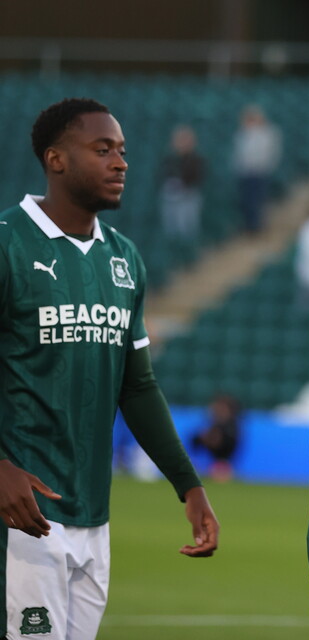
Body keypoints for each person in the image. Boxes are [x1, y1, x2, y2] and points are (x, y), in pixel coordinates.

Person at [0, 98, 219, 640]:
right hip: (18, 515)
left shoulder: (124, 259)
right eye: (102, 150)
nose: (121, 163)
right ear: (56, 159)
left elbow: (137, 385)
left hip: (92, 517)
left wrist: (187, 484)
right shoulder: (6, 243)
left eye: (122, 151)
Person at [158, 123, 205, 262]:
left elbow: (198, 177)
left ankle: (189, 258)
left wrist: (183, 183)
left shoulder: (196, 159)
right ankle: (173, 258)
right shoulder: (169, 159)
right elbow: (161, 175)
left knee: (188, 229)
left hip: (189, 197)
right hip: (170, 198)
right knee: (171, 230)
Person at [232, 104, 282, 234]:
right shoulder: (242, 134)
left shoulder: (268, 133)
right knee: (246, 202)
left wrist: (266, 167)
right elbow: (239, 154)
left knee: (258, 201)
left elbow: (271, 153)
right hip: (245, 173)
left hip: (259, 172)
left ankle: (258, 227)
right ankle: (249, 226)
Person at [191, 392, 242, 482]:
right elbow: (195, 440)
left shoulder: (232, 427)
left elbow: (228, 443)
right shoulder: (212, 424)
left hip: (223, 463)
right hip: (210, 462)